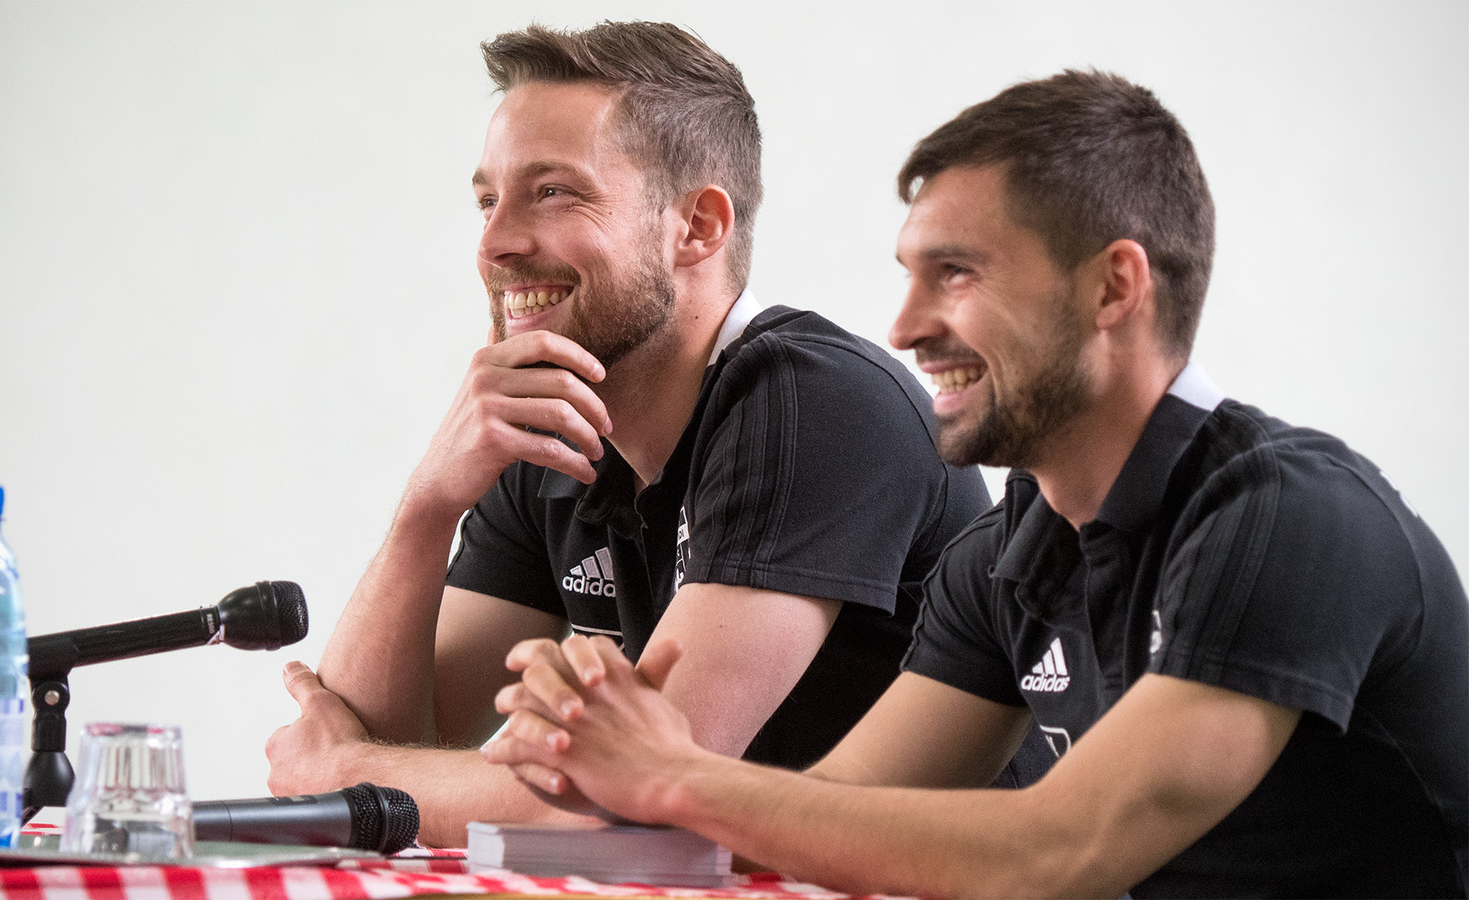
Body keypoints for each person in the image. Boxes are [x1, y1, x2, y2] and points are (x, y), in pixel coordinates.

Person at [483, 69, 1469, 897]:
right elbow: (841, 817)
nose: (905, 326)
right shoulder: (1000, 558)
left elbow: (1060, 850)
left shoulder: (1285, 517)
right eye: (910, 275)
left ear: (1113, 287)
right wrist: (609, 758)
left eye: (955, 274)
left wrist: (671, 777)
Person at [264, 21, 1004, 848]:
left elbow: (629, 799)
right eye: (487, 200)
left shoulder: (814, 403)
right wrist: (427, 507)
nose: (494, 243)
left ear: (698, 226)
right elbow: (388, 737)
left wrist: (340, 774)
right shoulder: (548, 420)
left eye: (554, 192)